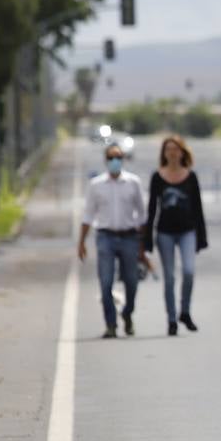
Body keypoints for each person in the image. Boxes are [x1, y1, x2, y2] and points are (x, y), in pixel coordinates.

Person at [78, 143, 147, 339]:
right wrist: (81, 242)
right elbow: (88, 215)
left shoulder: (133, 182)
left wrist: (143, 245)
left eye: (118, 157)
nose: (114, 161)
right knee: (106, 282)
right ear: (105, 160)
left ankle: (127, 313)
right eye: (110, 158)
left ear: (123, 160)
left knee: (132, 281)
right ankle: (110, 324)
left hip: (129, 237)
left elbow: (142, 215)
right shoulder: (96, 185)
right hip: (106, 237)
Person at [143, 135, 208, 337]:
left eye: (175, 149)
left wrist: (201, 237)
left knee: (188, 271)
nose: (172, 152)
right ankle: (171, 319)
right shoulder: (157, 177)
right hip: (165, 232)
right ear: (164, 153)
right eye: (168, 149)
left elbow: (198, 208)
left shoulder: (191, 176)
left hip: (187, 231)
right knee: (169, 277)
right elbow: (152, 208)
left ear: (182, 152)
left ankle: (185, 312)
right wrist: (147, 238)